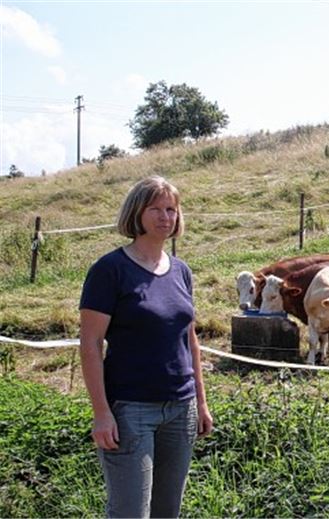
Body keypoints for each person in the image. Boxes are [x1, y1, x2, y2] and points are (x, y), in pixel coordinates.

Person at [79, 176, 214, 518]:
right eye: (155, 208)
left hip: (180, 409)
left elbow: (189, 339)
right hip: (131, 409)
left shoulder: (181, 271)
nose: (165, 216)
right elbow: (91, 343)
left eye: (171, 209)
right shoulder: (110, 270)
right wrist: (101, 413)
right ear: (136, 213)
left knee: (167, 512)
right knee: (129, 513)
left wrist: (201, 401)